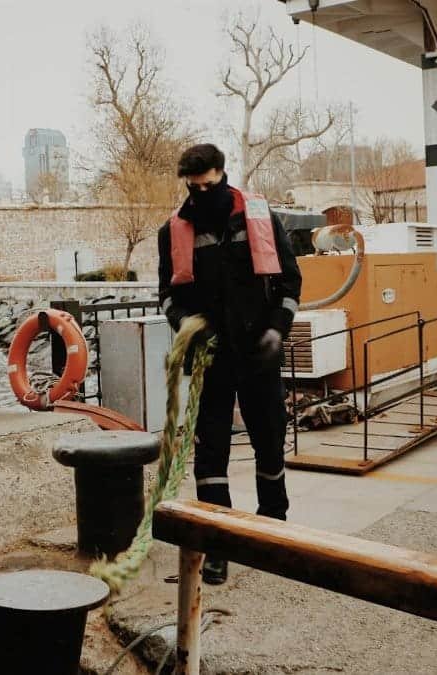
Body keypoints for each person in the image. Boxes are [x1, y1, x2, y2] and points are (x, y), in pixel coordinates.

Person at [157, 144, 302, 584]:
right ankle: (217, 545)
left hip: (259, 354)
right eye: (193, 187)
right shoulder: (173, 231)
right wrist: (188, 325)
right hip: (209, 360)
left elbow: (290, 282)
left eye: (209, 185)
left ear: (224, 175)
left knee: (270, 441)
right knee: (211, 453)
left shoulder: (259, 217)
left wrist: (278, 329)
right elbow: (167, 296)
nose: (201, 193)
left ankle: (271, 528)